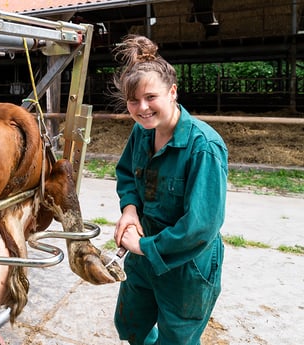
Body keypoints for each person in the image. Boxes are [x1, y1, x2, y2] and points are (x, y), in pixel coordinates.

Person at [112, 35, 228, 345]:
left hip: (186, 264)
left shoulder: (203, 147)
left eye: (151, 97)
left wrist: (142, 247)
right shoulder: (141, 133)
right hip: (143, 249)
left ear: (172, 92)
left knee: (177, 338)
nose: (142, 107)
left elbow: (201, 226)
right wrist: (130, 210)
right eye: (133, 100)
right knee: (130, 323)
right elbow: (126, 174)